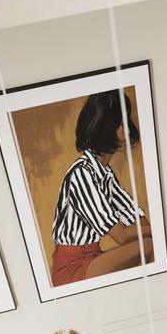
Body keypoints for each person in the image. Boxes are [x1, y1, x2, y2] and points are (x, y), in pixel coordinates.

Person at [49, 90, 154, 286]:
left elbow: (138, 220)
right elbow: (122, 236)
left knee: (152, 245)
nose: (128, 129)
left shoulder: (105, 174)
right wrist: (159, 228)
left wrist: (153, 228)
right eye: (121, 123)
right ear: (104, 126)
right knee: (148, 246)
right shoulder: (81, 174)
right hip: (72, 267)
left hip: (94, 257)